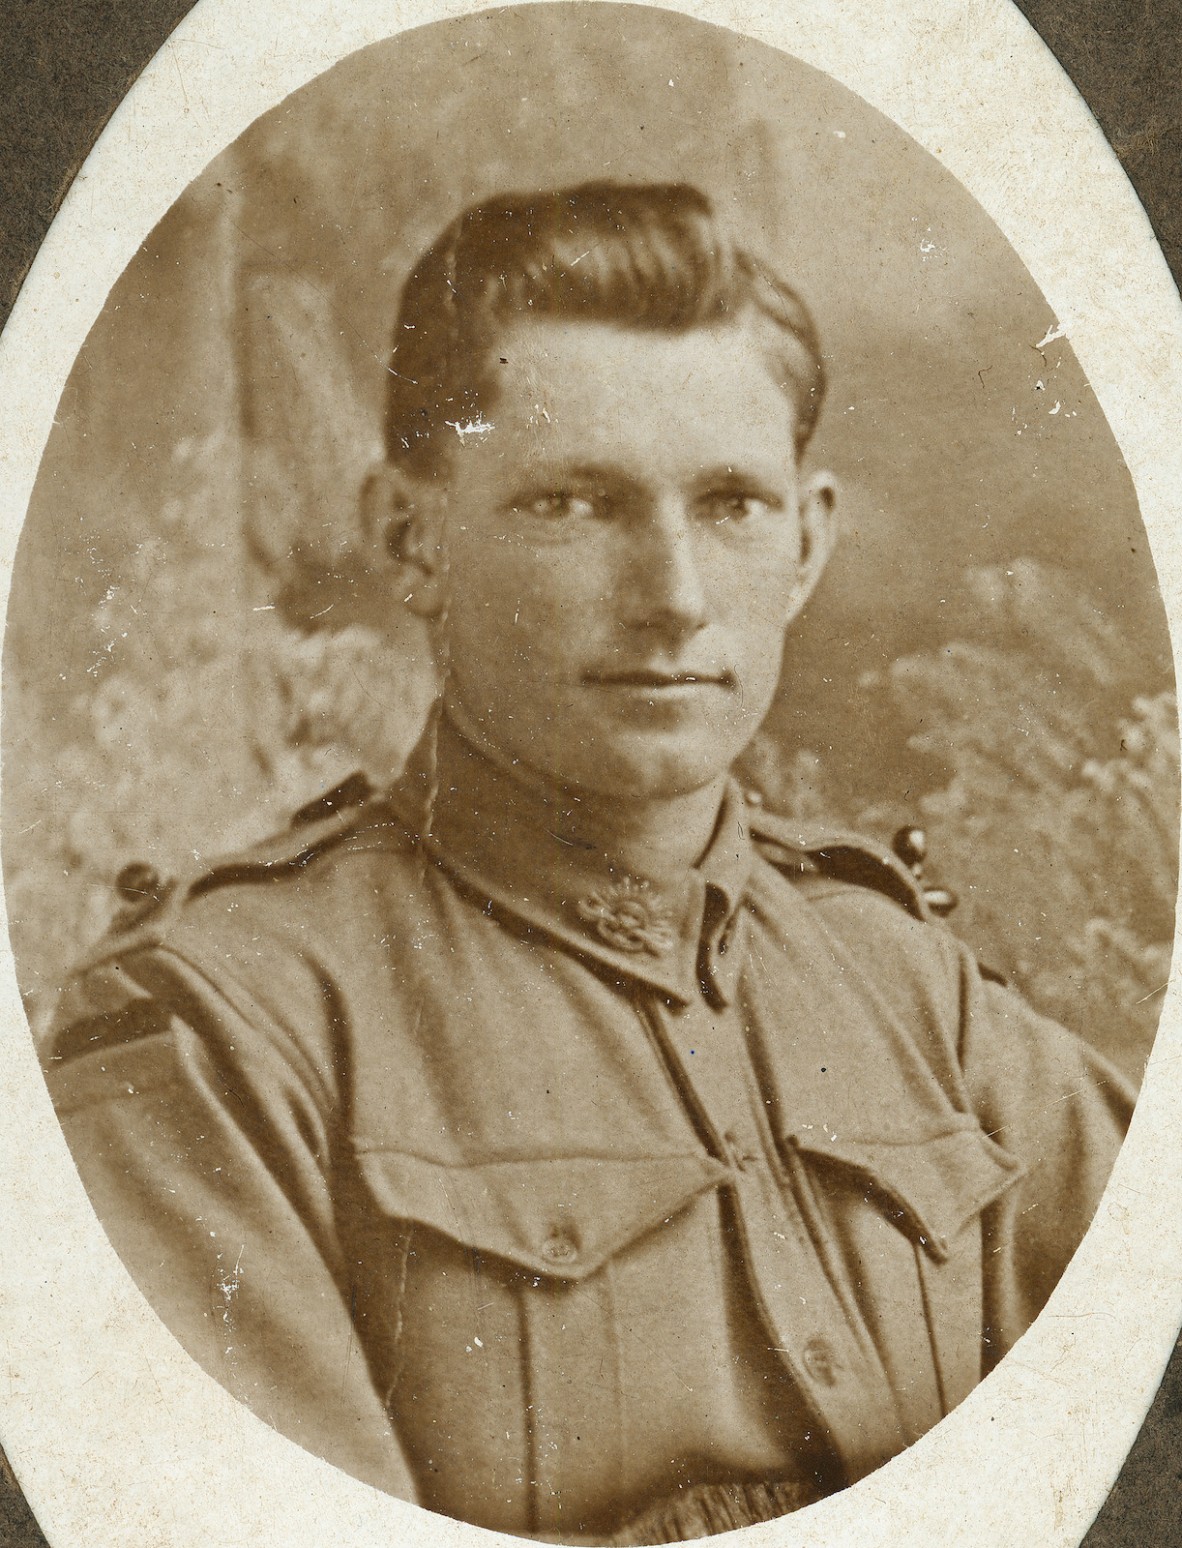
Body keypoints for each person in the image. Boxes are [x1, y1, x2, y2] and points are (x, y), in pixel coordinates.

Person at [43, 181, 1133, 1544]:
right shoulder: (217, 1036)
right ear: (409, 537)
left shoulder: (918, 993)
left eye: (730, 504)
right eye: (573, 504)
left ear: (806, 543)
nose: (672, 592)